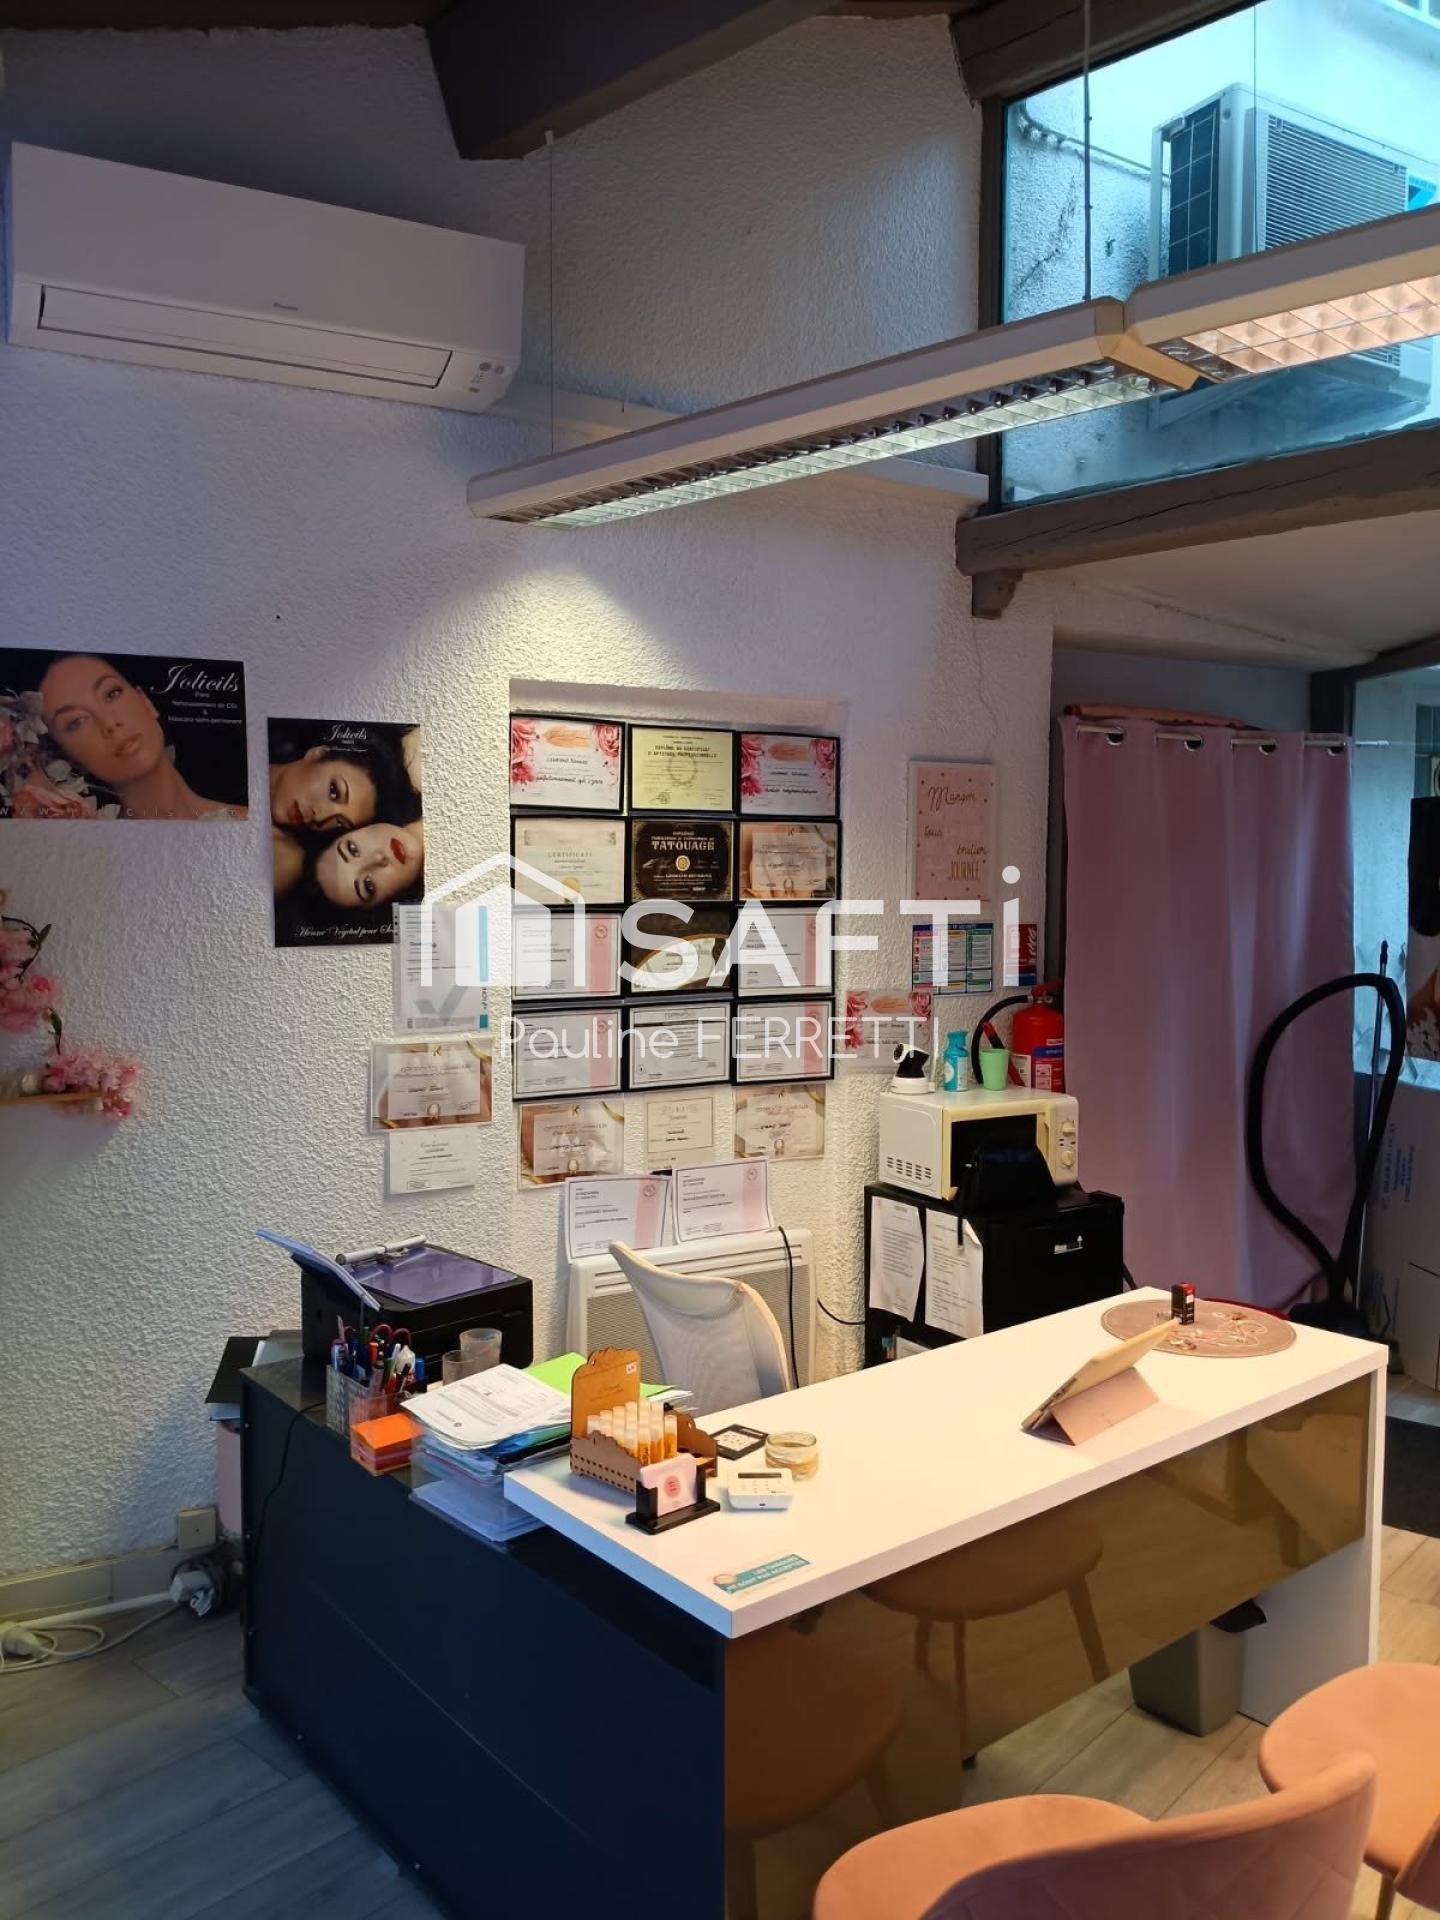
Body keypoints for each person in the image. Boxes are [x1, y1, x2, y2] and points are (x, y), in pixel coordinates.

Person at [37, 653, 247, 821]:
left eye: (111, 694)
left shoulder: (253, 826)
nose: (109, 724)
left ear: (146, 702)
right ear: (67, 757)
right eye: (76, 722)